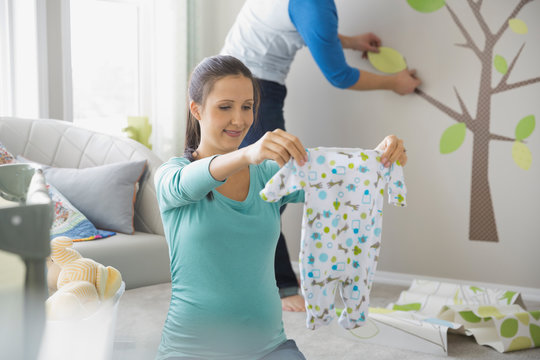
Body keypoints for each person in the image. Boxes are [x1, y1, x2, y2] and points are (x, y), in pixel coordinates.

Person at [154, 55, 408, 360]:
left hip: (267, 348)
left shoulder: (267, 175)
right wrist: (248, 154)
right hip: (192, 349)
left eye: (247, 106)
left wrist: (382, 156)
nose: (239, 119)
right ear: (196, 109)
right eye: (225, 107)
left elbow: (343, 179)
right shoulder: (171, 176)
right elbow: (187, 183)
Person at [220, 0, 421, 312]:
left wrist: (351, 41)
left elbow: (309, 27)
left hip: (239, 82)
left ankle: (261, 274)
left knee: (269, 188)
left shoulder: (310, 7)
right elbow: (339, 75)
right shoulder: (313, 4)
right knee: (270, 192)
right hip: (252, 89)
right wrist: (395, 82)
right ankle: (281, 284)